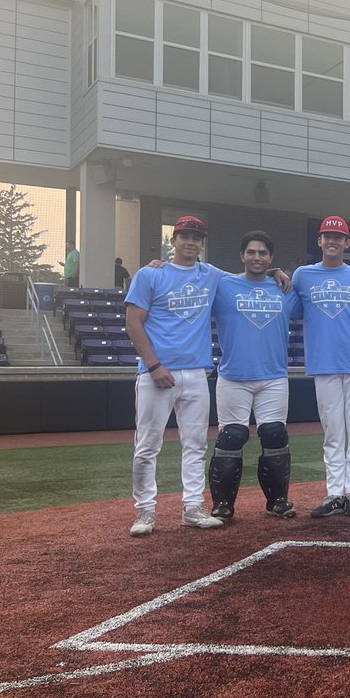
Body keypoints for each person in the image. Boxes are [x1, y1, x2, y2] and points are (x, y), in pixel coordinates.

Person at [123, 216, 224, 536]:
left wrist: (277, 271)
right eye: (184, 236)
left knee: (195, 445)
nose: (190, 242)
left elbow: (247, 276)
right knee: (147, 445)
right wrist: (153, 365)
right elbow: (133, 323)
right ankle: (145, 511)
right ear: (174, 240)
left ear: (202, 243)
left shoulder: (210, 274)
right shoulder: (151, 274)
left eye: (196, 237)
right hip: (156, 374)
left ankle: (192, 507)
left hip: (196, 372)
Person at [206, 230, 302, 521]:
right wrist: (158, 264)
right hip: (233, 376)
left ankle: (278, 501)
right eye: (251, 252)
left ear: (271, 258)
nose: (257, 257)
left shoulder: (285, 290)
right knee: (232, 437)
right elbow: (189, 272)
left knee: (274, 433)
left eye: (263, 253)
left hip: (273, 376)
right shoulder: (224, 285)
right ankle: (223, 504)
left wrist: (279, 273)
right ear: (242, 256)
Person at [292, 216, 350, 519]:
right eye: (327, 236)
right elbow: (291, 308)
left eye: (338, 237)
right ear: (319, 242)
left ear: (347, 243)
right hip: (324, 362)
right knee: (332, 431)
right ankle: (334, 493)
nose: (332, 241)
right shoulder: (302, 275)